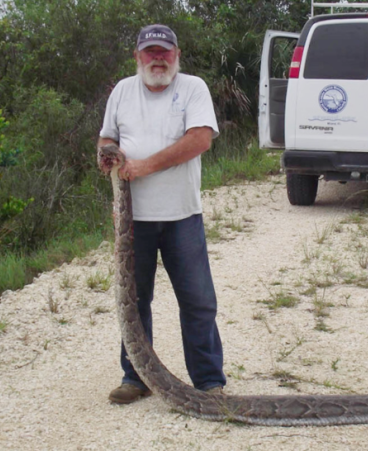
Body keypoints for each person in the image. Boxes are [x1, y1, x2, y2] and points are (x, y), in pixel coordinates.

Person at [97, 24, 225, 404]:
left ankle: (208, 382)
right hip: (133, 220)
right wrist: (106, 153)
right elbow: (106, 137)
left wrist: (145, 166)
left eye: (164, 52)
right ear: (137, 56)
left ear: (176, 55)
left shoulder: (193, 88)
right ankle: (135, 377)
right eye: (150, 52)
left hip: (181, 215)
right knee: (133, 299)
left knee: (198, 299)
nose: (157, 58)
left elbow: (200, 139)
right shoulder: (122, 91)